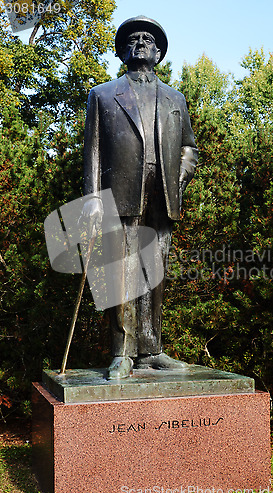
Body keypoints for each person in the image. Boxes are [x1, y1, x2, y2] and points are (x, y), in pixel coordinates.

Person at [82, 16, 198, 379]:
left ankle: (150, 349)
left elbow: (189, 149)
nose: (141, 42)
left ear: (159, 52)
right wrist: (92, 198)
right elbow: (93, 151)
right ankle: (122, 351)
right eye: (133, 38)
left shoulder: (175, 98)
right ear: (122, 51)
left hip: (162, 196)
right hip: (120, 193)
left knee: (154, 272)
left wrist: (177, 182)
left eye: (149, 39)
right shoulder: (102, 95)